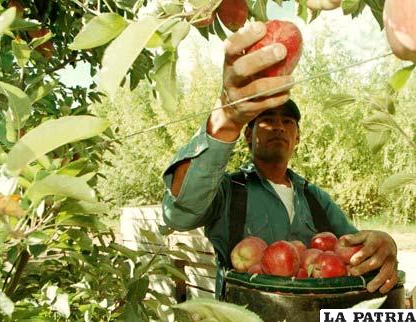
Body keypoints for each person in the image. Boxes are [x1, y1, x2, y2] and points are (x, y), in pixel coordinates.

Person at [161, 21, 398, 298]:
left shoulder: (315, 198)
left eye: (287, 121)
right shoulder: (229, 190)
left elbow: (353, 248)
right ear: (247, 135)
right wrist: (226, 120)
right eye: (267, 120)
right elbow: (178, 213)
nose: (278, 127)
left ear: (297, 138)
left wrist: (384, 243)